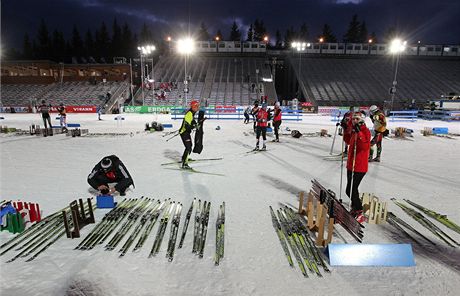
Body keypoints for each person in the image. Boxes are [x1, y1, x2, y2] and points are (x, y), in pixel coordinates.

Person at [346, 112, 371, 223]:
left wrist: (359, 132)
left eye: (357, 119)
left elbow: (365, 147)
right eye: (353, 119)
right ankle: (355, 208)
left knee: (351, 189)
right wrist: (346, 129)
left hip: (360, 166)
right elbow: (347, 141)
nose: (354, 121)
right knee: (349, 190)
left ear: (361, 120)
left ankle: (360, 210)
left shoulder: (365, 131)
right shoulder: (353, 130)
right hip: (351, 165)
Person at [179, 100, 200, 169]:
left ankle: (184, 158)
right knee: (189, 147)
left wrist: (195, 124)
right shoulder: (189, 114)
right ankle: (185, 164)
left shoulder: (192, 113)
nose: (198, 108)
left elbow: (192, 121)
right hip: (184, 132)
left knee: (188, 146)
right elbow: (187, 126)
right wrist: (193, 126)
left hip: (186, 132)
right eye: (196, 106)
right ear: (193, 107)